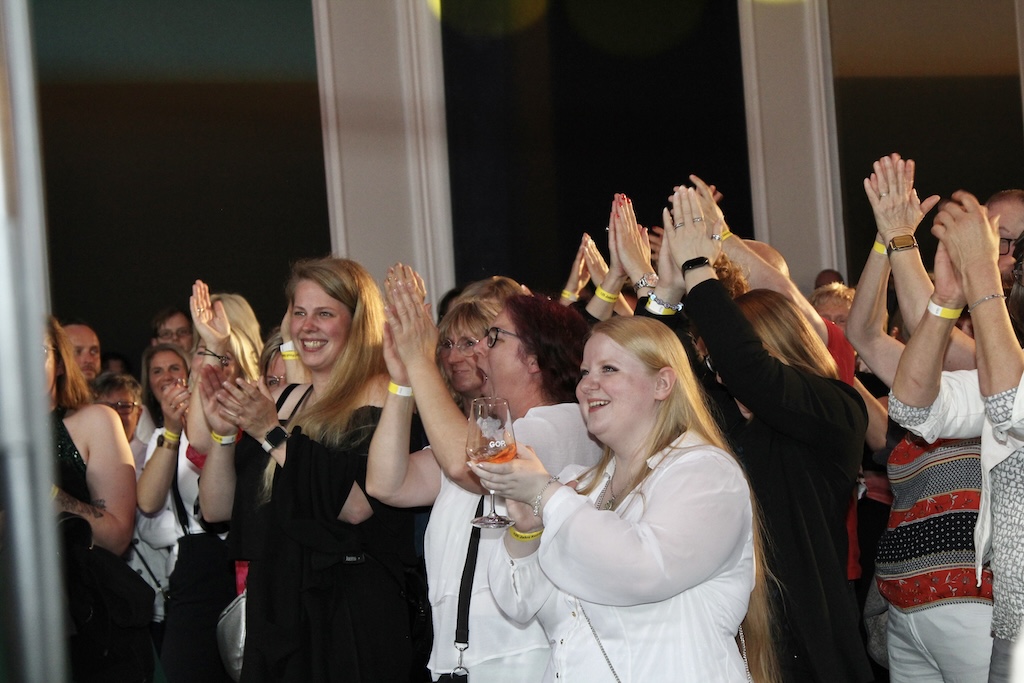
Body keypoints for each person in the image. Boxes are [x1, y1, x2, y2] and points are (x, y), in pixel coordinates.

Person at [474, 316, 777, 682]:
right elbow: (518, 603)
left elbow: (643, 569)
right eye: (585, 372)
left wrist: (546, 495)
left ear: (662, 384)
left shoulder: (707, 474)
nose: (587, 385)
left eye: (609, 369)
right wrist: (527, 529)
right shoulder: (580, 484)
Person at [660, 185, 872, 683]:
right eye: (713, 360)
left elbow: (749, 370)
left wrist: (699, 267)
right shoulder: (731, 414)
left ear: (777, 346)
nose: (716, 369)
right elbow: (661, 373)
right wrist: (665, 294)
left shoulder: (834, 409)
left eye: (724, 354)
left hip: (808, 647)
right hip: (733, 642)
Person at [367, 266, 602, 681]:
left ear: (534, 359)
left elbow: (467, 467)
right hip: (457, 660)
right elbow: (389, 483)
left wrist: (421, 361)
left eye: (493, 339)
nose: (478, 353)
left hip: (524, 659)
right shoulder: (484, 434)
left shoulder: (566, 424)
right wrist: (403, 382)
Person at [196, 257, 424, 682]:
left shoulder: (382, 393)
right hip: (279, 615)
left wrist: (270, 433)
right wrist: (224, 438)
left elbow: (356, 506)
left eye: (324, 313)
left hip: (350, 618)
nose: (307, 326)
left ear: (357, 322)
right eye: (299, 313)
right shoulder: (284, 401)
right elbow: (216, 509)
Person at [846, 154, 993, 681]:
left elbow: (921, 317)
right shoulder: (932, 384)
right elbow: (863, 334)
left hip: (973, 597)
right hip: (905, 599)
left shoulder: (999, 369)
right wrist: (883, 241)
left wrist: (902, 239)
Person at [889, 190, 1024, 682]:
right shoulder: (1004, 364)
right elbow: (913, 407)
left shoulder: (1008, 370)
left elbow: (1010, 403)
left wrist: (980, 272)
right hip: (1010, 617)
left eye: (1005, 242)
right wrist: (945, 302)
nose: (1000, 256)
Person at [138, 286, 260, 683]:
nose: (208, 360)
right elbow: (147, 503)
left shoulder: (263, 405)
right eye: (202, 346)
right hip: (199, 570)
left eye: (219, 348)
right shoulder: (183, 424)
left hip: (254, 564)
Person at [47, 316, 153, 681]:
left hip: (82, 615)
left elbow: (118, 535)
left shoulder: (93, 421)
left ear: (60, 363)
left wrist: (46, 493)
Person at [93, 371, 146, 471]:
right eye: (106, 407)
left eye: (124, 407)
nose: (115, 415)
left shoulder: (151, 459)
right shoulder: (83, 458)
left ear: (138, 414)